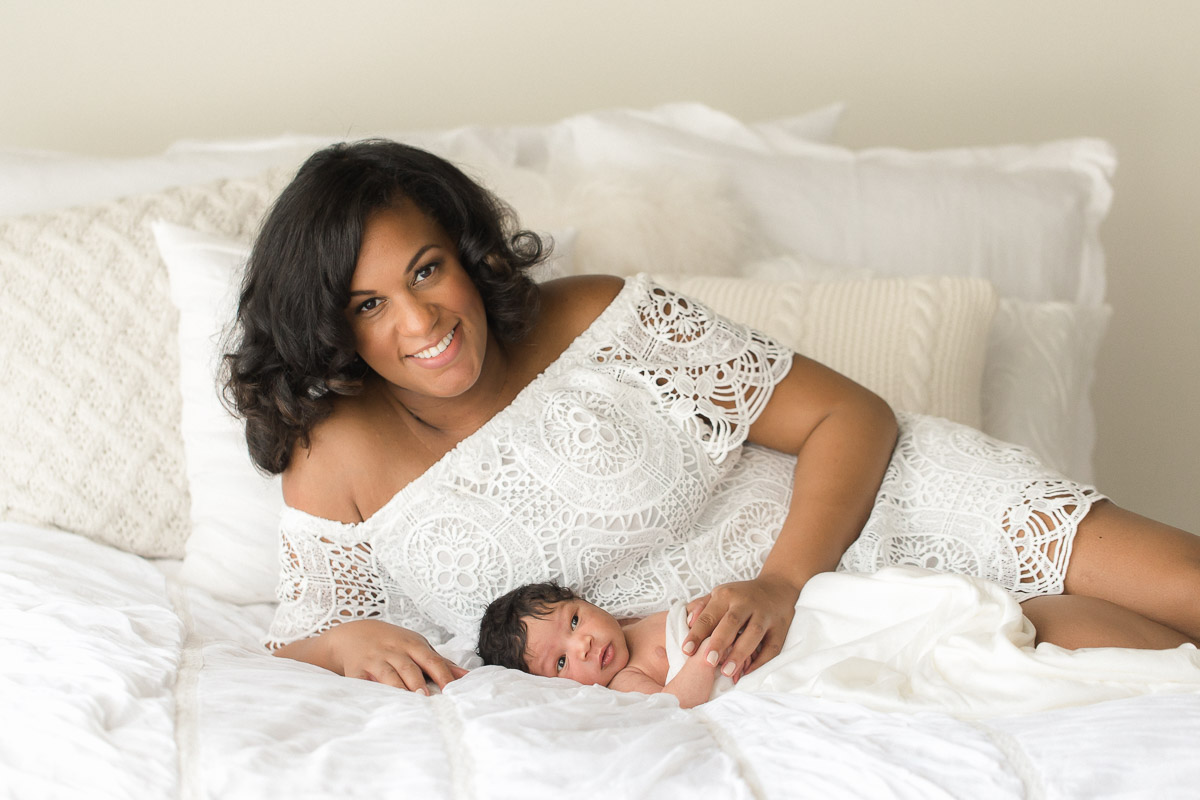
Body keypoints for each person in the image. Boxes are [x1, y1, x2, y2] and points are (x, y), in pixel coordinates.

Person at [223, 138, 1200, 696]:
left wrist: (782, 580)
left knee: (1187, 586)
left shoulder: (594, 316)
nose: (420, 319)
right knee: (1101, 648)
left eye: (425, 269)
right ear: (333, 327)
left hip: (882, 509)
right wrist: (344, 641)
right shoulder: (336, 453)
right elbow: (306, 628)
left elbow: (849, 417)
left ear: (465, 251)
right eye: (369, 304)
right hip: (797, 646)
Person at [476, 579, 1199, 709]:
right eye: (560, 663)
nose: (584, 648)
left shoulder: (633, 618)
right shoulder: (633, 680)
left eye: (573, 622)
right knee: (965, 649)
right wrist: (701, 660)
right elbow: (676, 704)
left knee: (1005, 613)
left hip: (810, 616)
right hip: (787, 658)